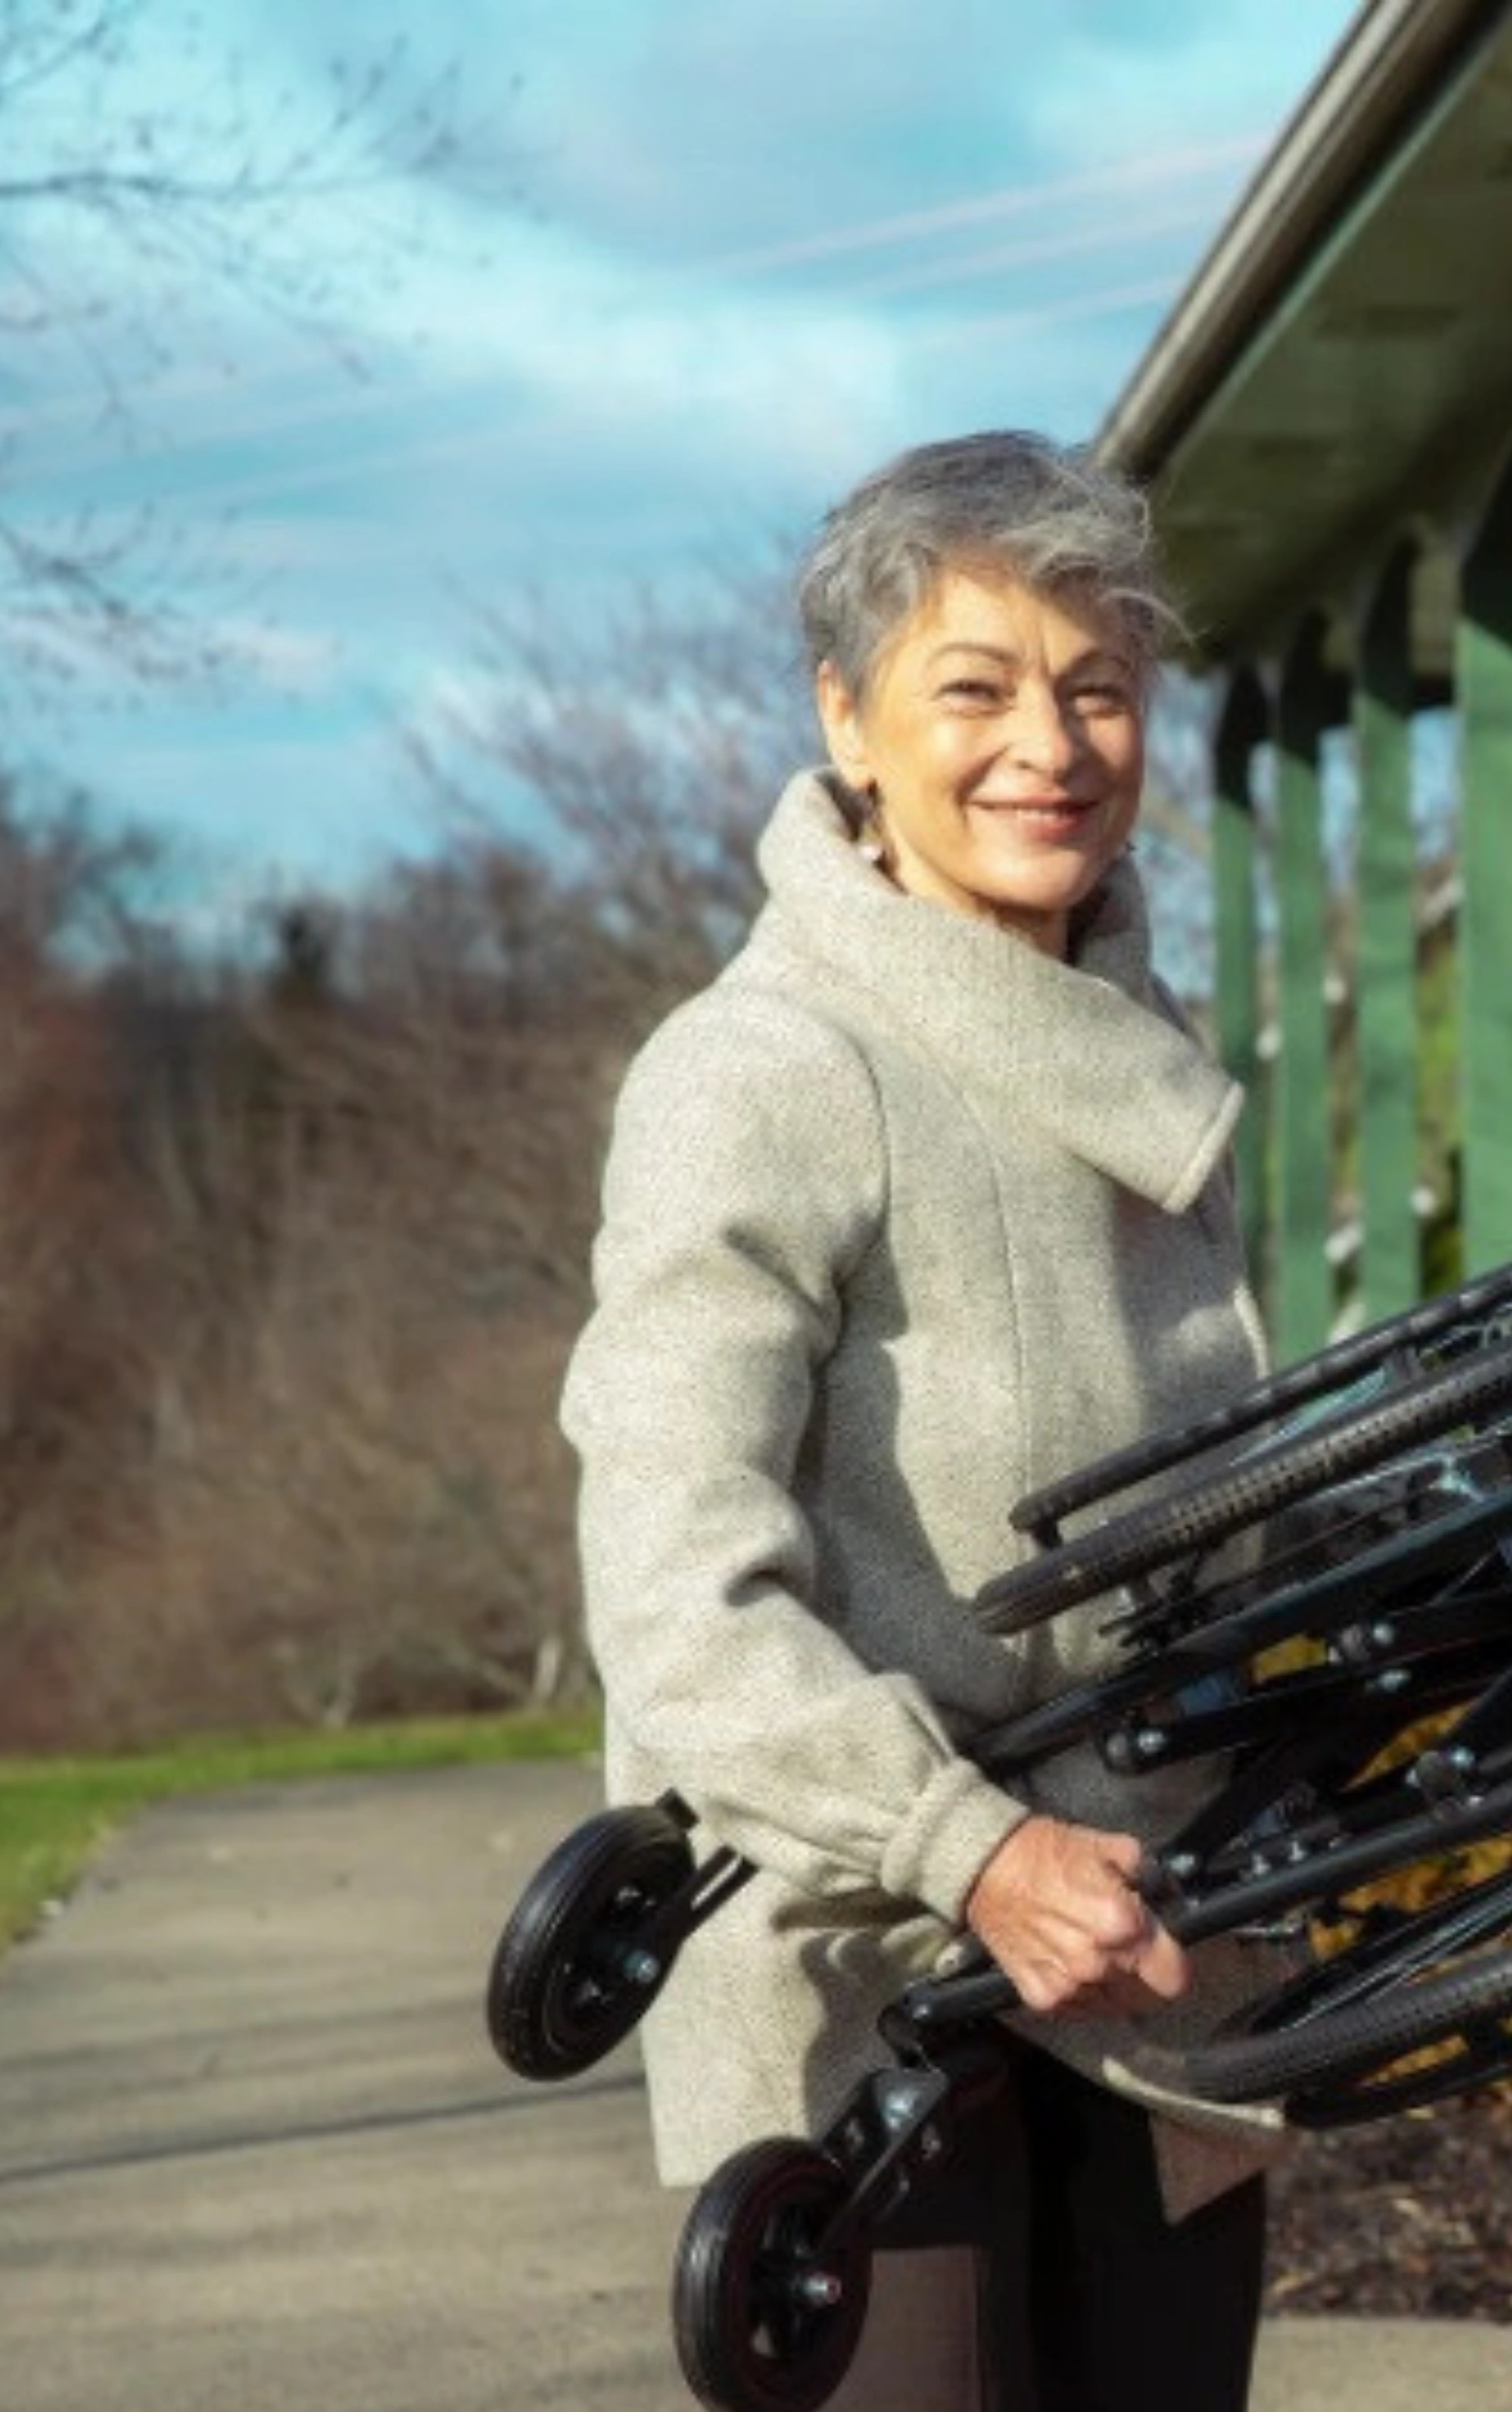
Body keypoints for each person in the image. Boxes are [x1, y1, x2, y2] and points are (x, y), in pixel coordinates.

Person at [562, 430, 1282, 2410]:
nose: (1044, 743)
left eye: (1098, 686)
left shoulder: (1147, 1057)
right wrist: (967, 1847)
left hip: (1158, 1951)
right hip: (863, 1963)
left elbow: (1216, 1507)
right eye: (972, 686)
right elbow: (675, 1592)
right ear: (847, 721)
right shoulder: (763, 1070)